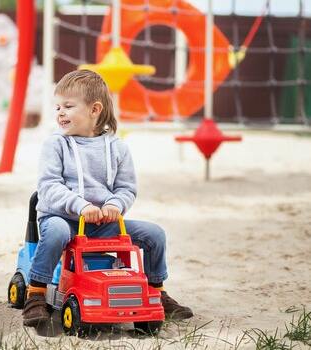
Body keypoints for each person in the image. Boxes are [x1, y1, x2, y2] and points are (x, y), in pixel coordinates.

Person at [22, 69, 194, 326]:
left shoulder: (117, 148)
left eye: (68, 106)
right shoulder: (55, 145)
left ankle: (156, 292)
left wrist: (115, 204)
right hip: (64, 218)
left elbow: (126, 188)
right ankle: (35, 293)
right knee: (56, 231)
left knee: (154, 233)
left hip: (103, 224)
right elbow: (49, 186)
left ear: (94, 110)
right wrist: (80, 206)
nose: (60, 113)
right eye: (58, 107)